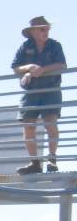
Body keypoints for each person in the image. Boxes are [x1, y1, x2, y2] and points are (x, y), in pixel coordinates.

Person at [13, 16, 67, 175]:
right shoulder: (25, 47)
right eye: (42, 29)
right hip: (31, 91)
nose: (46, 32)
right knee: (28, 126)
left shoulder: (55, 45)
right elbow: (16, 67)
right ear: (33, 32)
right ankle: (34, 163)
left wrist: (43, 69)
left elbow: (62, 65)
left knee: (50, 123)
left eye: (47, 29)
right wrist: (29, 67)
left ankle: (52, 159)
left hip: (51, 90)